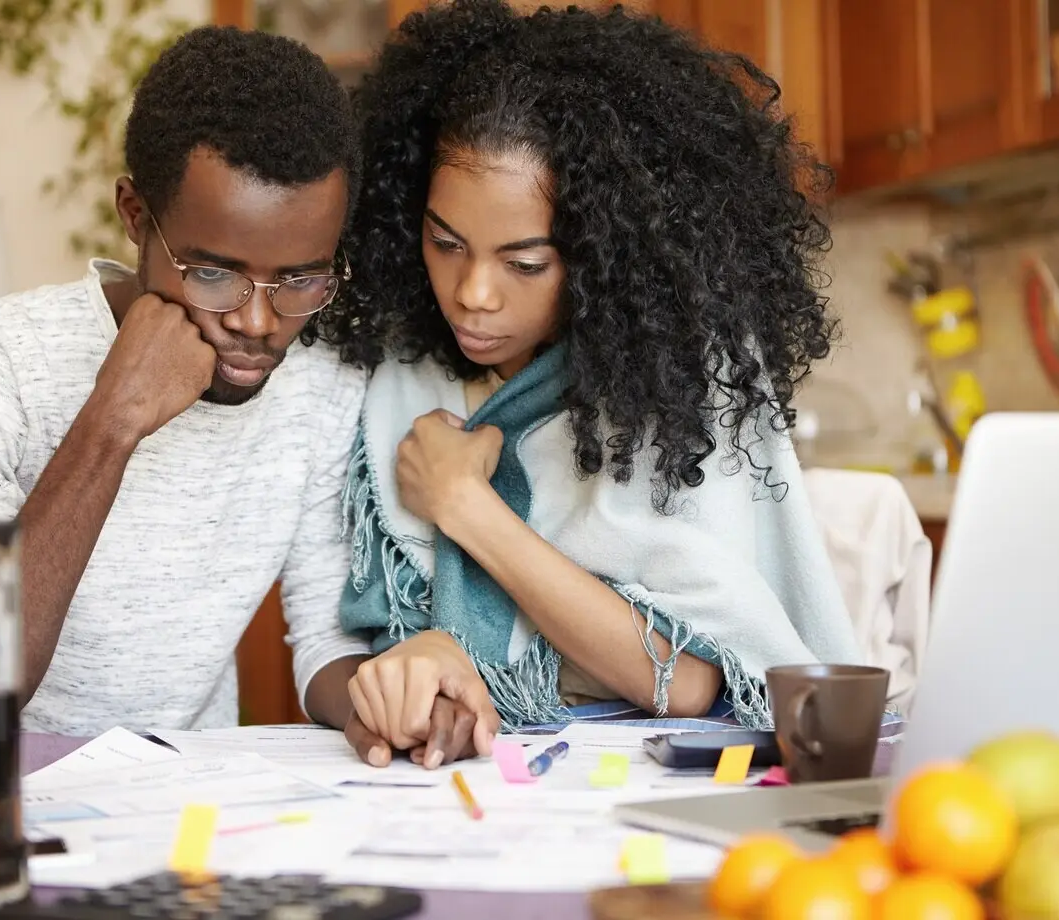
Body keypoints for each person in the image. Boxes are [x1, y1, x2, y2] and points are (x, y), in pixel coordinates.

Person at [314, 0, 863, 767]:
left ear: (607, 253)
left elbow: (689, 681)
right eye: (445, 243)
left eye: (525, 263)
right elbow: (359, 638)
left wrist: (466, 504)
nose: (474, 292)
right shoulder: (397, 373)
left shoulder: (672, 384)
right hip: (460, 779)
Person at [0, 26, 377, 735]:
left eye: (300, 277)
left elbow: (327, 638)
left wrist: (390, 702)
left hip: (187, 816)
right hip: (5, 810)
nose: (261, 323)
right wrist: (112, 421)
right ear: (135, 216)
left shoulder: (323, 382)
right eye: (213, 273)